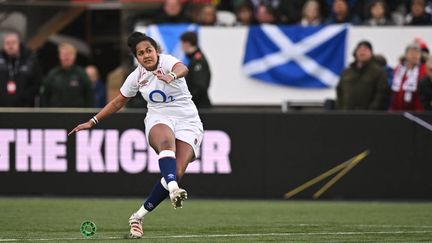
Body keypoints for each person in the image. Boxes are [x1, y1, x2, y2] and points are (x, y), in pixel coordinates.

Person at [68, 32, 204, 239]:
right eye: (141, 53)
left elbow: (182, 68)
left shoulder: (167, 62)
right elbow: (117, 102)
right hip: (159, 117)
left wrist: (171, 76)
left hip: (188, 120)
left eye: (149, 50)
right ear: (136, 58)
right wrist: (92, 121)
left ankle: (137, 217)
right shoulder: (136, 77)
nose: (146, 55)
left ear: (156, 51)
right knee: (166, 144)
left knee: (176, 171)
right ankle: (175, 189)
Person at [336, 40, 390, 110]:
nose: (362, 52)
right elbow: (339, 91)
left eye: (365, 49)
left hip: (368, 115)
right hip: (347, 113)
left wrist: (373, 110)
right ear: (355, 53)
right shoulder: (347, 72)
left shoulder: (378, 72)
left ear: (371, 53)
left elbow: (382, 93)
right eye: (360, 49)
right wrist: (340, 108)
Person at [40, 42, 94, 107]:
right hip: (56, 114)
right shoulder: (52, 74)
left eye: (69, 54)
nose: (66, 57)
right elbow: (44, 95)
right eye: (64, 54)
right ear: (59, 55)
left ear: (74, 56)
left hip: (77, 114)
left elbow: (89, 95)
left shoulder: (81, 74)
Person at [0, 31, 42, 107]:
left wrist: (23, 100)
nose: (10, 46)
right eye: (8, 43)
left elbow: (36, 84)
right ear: (3, 45)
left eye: (13, 43)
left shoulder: (30, 60)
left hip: (24, 109)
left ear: (19, 43)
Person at [390, 42, 426, 111]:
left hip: (418, 109)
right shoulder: (399, 69)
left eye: (417, 53)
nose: (415, 55)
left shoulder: (424, 69)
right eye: (412, 53)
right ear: (406, 55)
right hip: (398, 109)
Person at [180, 31, 212, 108]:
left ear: (187, 43)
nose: (181, 47)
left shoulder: (198, 61)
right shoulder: (194, 58)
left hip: (200, 106)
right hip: (196, 105)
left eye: (181, 43)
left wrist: (187, 99)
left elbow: (200, 86)